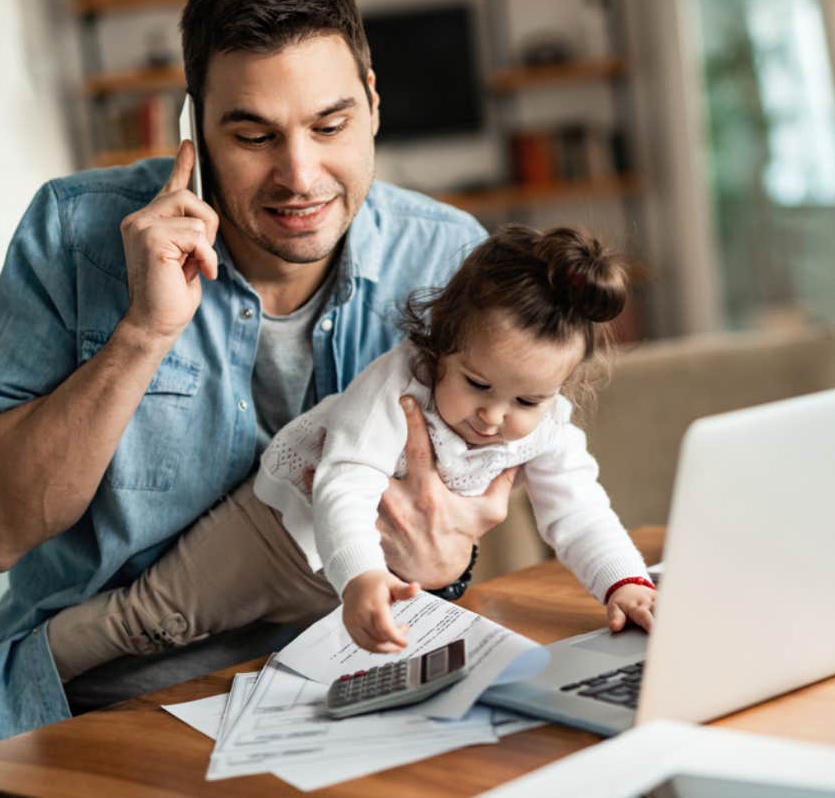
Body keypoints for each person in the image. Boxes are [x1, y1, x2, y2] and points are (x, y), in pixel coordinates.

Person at [0, 0, 512, 742]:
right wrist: (144, 332)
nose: (299, 175)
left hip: (353, 686)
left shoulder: (448, 261)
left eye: (329, 126)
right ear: (193, 130)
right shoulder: (72, 235)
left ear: (372, 104)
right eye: (254, 135)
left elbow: (455, 520)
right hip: (102, 703)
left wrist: (450, 561)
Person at [47, 224, 656, 682]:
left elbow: (578, 510)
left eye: (528, 399)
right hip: (275, 534)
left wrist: (623, 584)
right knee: (150, 622)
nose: (494, 418)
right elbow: (345, 483)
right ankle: (28, 667)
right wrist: (363, 576)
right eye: (476, 384)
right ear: (442, 344)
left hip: (354, 581)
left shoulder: (547, 427)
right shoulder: (399, 385)